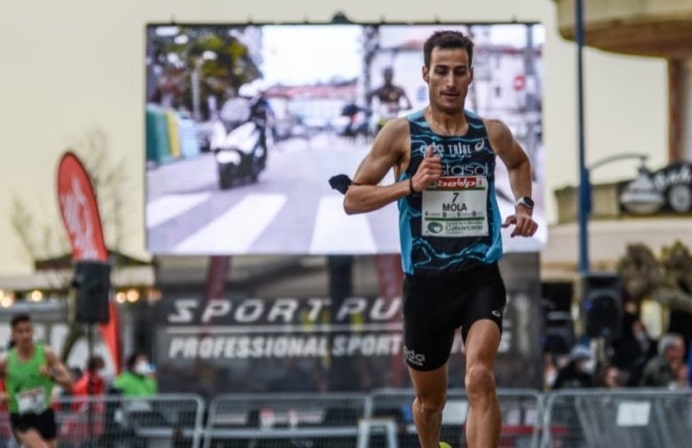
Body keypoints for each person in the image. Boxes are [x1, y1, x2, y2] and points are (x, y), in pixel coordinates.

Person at [342, 30, 538, 448]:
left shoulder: (491, 132)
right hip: (427, 286)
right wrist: (409, 185)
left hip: (479, 276)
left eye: (460, 72)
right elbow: (353, 199)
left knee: (480, 375)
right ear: (426, 75)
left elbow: (519, 162)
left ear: (471, 77)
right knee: (430, 403)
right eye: (442, 71)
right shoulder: (401, 133)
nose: (451, 81)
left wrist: (523, 205)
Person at [0, 313, 73, 448]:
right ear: (13, 335)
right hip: (21, 416)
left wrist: (51, 375)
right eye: (20, 332)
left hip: (45, 412)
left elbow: (69, 383)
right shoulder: (5, 361)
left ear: (33, 332)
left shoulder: (46, 354)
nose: (25, 335)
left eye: (28, 330)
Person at [367, 67, 413, 134]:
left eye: (390, 75)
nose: (388, 77)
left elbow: (410, 105)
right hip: (382, 121)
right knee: (381, 141)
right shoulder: (379, 90)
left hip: (394, 120)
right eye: (386, 75)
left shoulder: (398, 90)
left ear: (393, 76)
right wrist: (371, 109)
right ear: (383, 76)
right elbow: (368, 96)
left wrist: (399, 108)